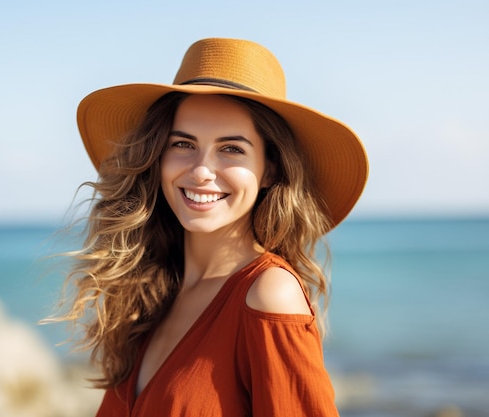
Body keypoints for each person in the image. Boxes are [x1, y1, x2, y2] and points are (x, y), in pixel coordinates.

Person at [59, 38, 368, 416]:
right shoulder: (152, 297)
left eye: (231, 148)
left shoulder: (269, 294)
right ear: (157, 156)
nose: (201, 170)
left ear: (269, 169)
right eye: (183, 144)